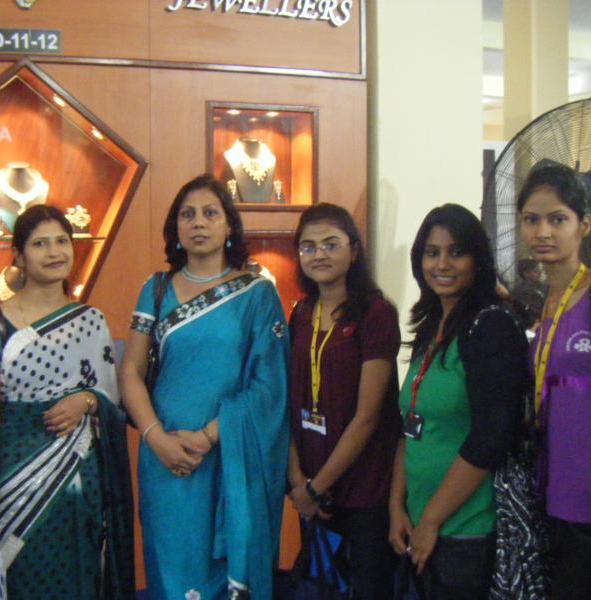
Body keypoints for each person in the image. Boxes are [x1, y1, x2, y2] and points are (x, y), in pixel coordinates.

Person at [119, 174, 289, 600]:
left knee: (224, 572)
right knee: (172, 572)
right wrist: (157, 439)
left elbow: (269, 386)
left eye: (210, 213)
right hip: (164, 456)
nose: (198, 222)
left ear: (228, 225)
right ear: (175, 227)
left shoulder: (257, 294)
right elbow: (130, 372)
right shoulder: (155, 289)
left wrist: (209, 436)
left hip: (228, 455)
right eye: (187, 214)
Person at [0, 205, 133, 599]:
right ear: (19, 256)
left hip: (79, 481)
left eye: (61, 241)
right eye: (40, 244)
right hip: (15, 482)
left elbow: (113, 404)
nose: (54, 252)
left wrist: (86, 400)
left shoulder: (91, 320)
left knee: (79, 580)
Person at [388, 203, 527, 599]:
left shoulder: (491, 326)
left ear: (478, 260)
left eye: (456, 252)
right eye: (432, 252)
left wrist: (431, 520)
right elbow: (411, 425)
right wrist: (396, 508)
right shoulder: (433, 326)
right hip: (418, 522)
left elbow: (489, 439)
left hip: (468, 530)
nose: (442, 264)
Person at [286, 203, 400, 600]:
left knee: (367, 588)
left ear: (353, 250)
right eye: (308, 246)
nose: (319, 254)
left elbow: (368, 417)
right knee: (323, 588)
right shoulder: (302, 313)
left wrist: (316, 487)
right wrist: (298, 481)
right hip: (311, 482)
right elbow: (289, 402)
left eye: (330, 244)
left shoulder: (376, 314)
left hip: (363, 487)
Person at [517, 163, 591, 600]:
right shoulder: (546, 304)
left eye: (557, 219)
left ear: (584, 225)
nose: (542, 231)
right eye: (532, 219)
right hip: (553, 488)